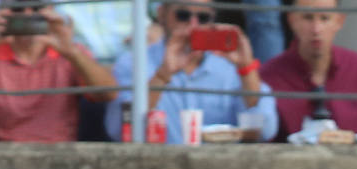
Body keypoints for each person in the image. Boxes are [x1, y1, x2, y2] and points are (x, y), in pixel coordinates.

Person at [105, 0, 278, 144]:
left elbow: (266, 130)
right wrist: (162, 76)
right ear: (161, 14)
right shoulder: (133, 62)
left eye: (203, 18)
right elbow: (118, 130)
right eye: (183, 15)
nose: (193, 24)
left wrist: (246, 69)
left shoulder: (230, 66)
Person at [0, 1, 116, 142]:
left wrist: (72, 52)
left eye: (37, 7)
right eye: (18, 7)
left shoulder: (70, 52)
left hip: (58, 159)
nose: (28, 13)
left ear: (51, 10)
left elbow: (108, 95)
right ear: (0, 12)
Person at [260, 0, 357, 141]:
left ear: (339, 21)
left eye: (324, 18)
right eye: (308, 18)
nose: (316, 29)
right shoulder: (270, 74)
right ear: (292, 20)